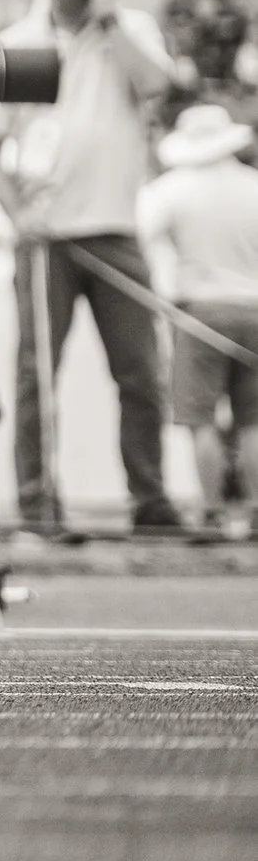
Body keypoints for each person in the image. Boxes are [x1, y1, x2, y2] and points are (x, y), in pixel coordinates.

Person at [0, 0, 183, 536]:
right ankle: (39, 501)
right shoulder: (16, 40)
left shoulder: (128, 31)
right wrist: (18, 217)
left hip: (115, 227)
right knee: (36, 374)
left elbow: (158, 86)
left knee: (142, 373)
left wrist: (113, 20)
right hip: (46, 237)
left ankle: (149, 499)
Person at [139, 104, 258, 538]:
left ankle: (210, 511)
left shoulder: (174, 189)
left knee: (200, 418)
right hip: (254, 309)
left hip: (201, 312)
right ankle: (254, 508)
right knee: (253, 419)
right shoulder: (253, 186)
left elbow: (140, 234)